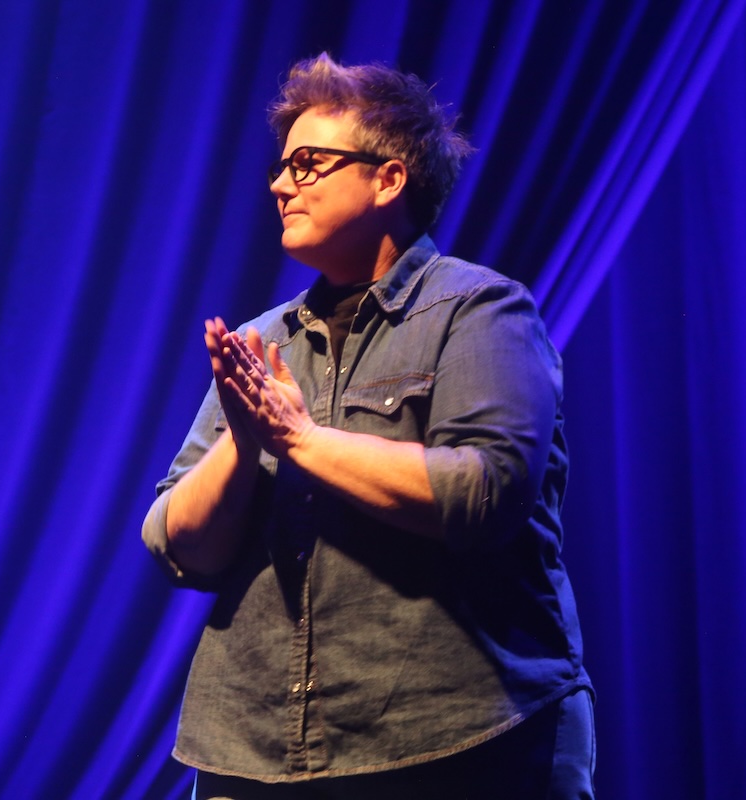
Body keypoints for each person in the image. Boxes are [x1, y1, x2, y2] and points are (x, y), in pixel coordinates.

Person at [142, 53, 594, 799]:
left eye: (309, 163)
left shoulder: (480, 311)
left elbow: (484, 494)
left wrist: (299, 440)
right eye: (283, 167)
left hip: (458, 743)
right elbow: (176, 545)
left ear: (389, 179)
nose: (280, 184)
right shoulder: (263, 343)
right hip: (258, 756)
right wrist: (247, 442)